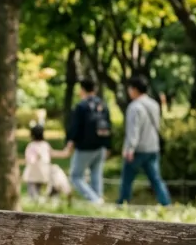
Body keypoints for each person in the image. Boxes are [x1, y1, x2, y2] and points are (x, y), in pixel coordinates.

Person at [117, 76, 171, 206]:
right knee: (156, 179)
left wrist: (129, 149)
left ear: (135, 90)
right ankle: (166, 204)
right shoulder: (154, 104)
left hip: (138, 150)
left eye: (130, 88)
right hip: (153, 147)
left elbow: (133, 130)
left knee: (127, 179)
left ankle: (122, 204)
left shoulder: (134, 107)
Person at [61, 79, 111, 204]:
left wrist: (70, 143)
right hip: (100, 146)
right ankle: (98, 199)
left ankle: (95, 200)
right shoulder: (102, 105)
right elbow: (109, 126)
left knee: (75, 176)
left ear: (82, 89)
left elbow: (76, 127)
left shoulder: (82, 106)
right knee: (96, 174)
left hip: (84, 147)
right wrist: (108, 146)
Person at [23, 125, 53, 202]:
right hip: (44, 172)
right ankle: (39, 199)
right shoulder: (45, 145)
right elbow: (49, 155)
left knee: (32, 189)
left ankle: (34, 199)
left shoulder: (31, 145)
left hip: (33, 172)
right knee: (39, 188)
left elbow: (29, 159)